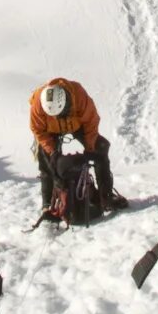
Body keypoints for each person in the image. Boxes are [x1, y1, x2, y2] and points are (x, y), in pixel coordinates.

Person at [29, 78, 125, 213]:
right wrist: (52, 152)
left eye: (61, 113)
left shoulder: (78, 94)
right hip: (50, 130)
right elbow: (38, 130)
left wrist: (90, 148)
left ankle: (106, 196)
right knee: (45, 159)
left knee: (101, 148)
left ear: (67, 101)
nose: (58, 117)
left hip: (76, 125)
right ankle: (47, 204)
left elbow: (91, 122)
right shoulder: (38, 104)